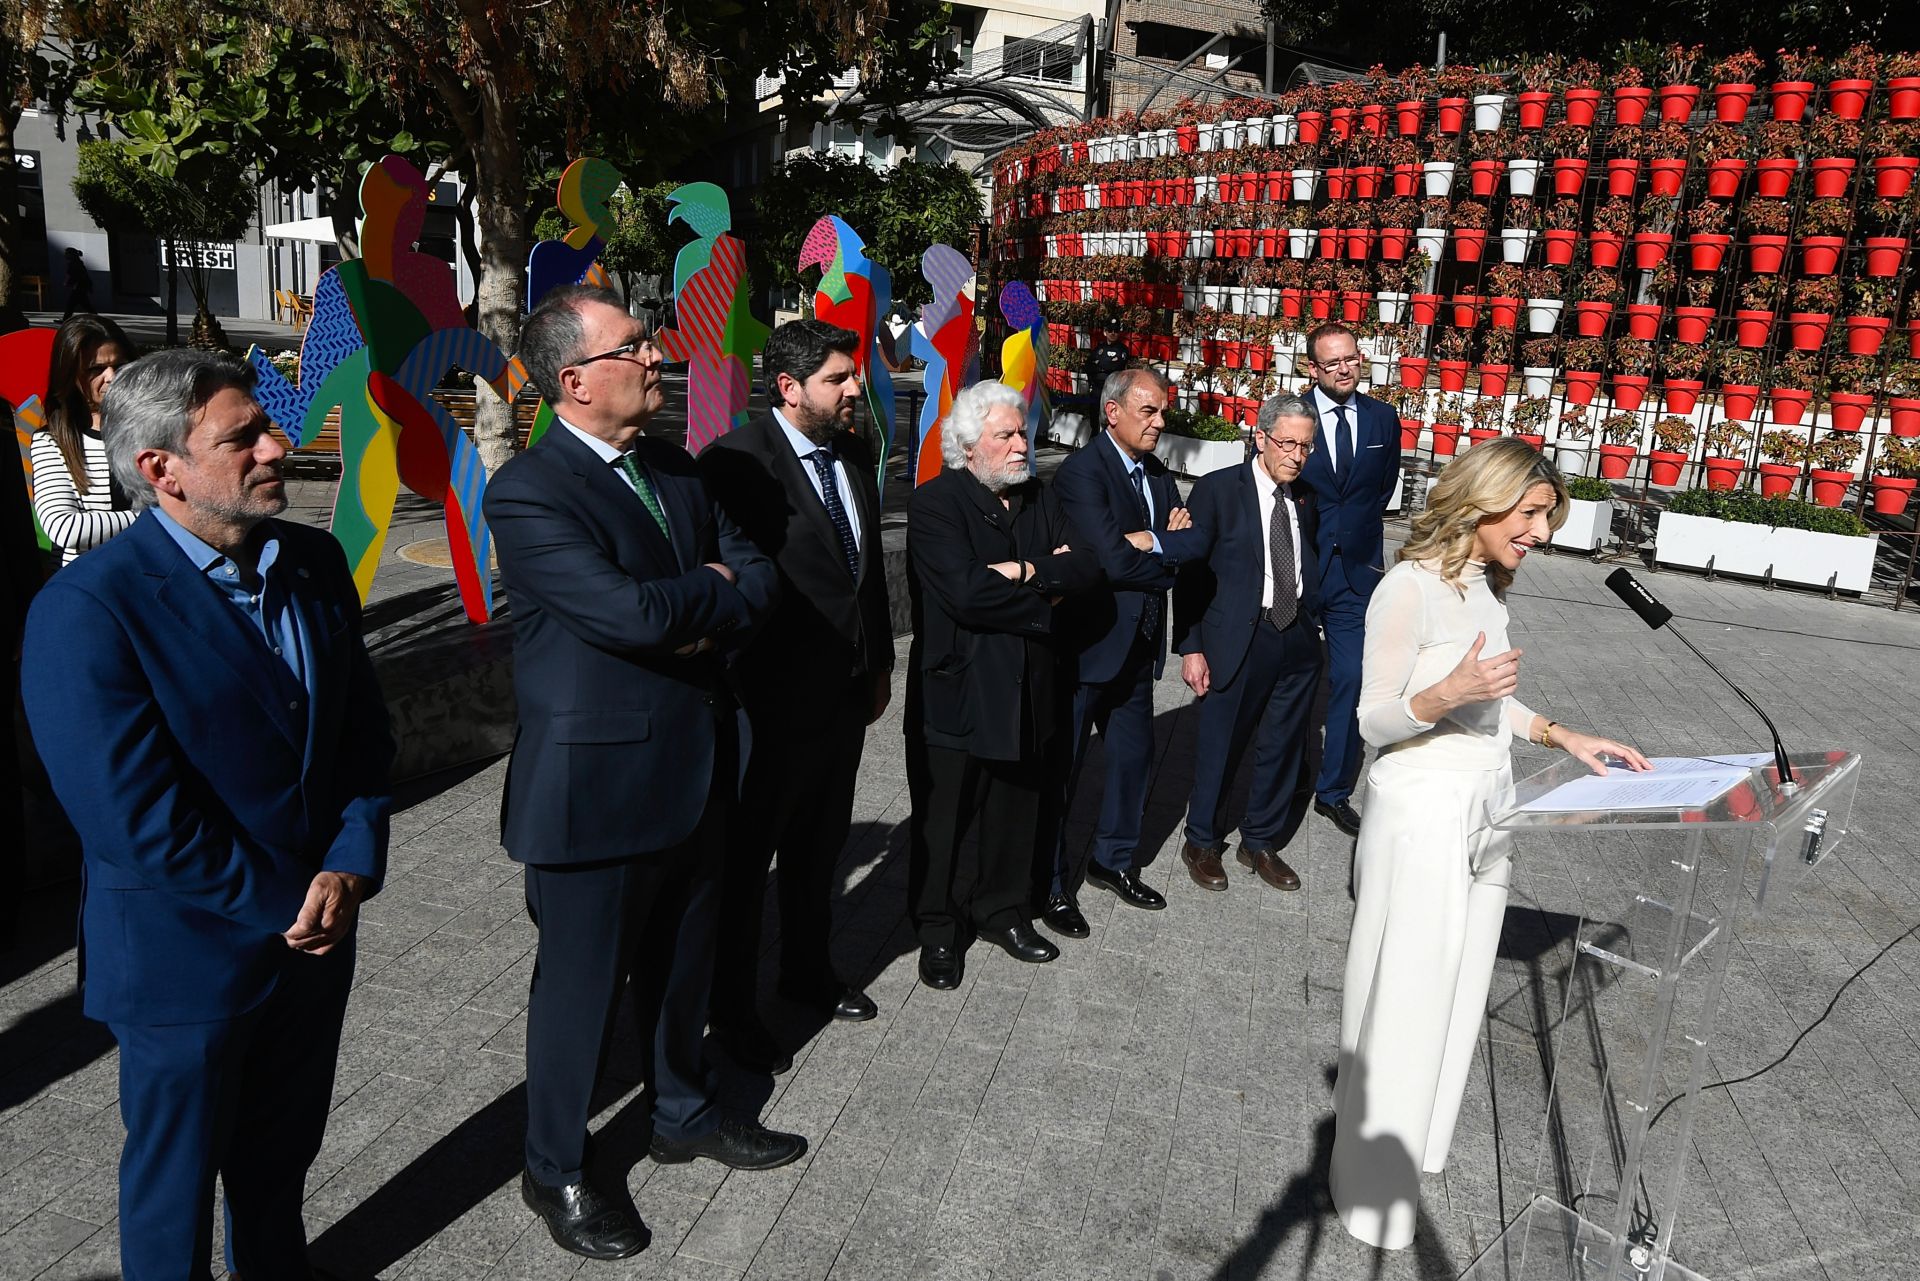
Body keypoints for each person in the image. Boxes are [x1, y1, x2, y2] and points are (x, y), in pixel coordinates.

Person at [19, 349, 394, 1281]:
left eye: (267, 424)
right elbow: (131, 815)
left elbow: (360, 734)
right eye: (245, 436)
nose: (279, 445)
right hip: (183, 957)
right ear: (160, 470)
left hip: (316, 930)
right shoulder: (87, 609)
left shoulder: (311, 559)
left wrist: (349, 862)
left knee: (278, 1165)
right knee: (174, 1185)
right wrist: (287, 900)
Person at [484, 285, 801, 1262]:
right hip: (595, 793)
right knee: (579, 995)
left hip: (697, 768)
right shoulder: (529, 491)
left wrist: (698, 598)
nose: (658, 354)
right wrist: (700, 595)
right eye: (634, 346)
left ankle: (682, 1111)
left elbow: (759, 584)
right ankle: (556, 1166)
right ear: (573, 380)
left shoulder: (676, 468)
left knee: (684, 969)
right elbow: (625, 617)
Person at [1329, 439, 1650, 1250]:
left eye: (1550, 516)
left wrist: (1558, 732)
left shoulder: (1483, 587)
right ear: (1482, 499)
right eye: (1534, 512)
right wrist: (1447, 692)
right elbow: (1373, 720)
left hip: (1483, 801)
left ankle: (1414, 1146)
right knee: (1405, 995)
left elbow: (1489, 704)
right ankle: (1368, 1189)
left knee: (1455, 989)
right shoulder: (1407, 588)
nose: (1542, 531)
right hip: (1421, 810)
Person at [698, 318, 892, 1073]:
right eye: (837, 379)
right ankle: (733, 1009)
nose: (854, 389)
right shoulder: (736, 463)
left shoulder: (853, 447)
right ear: (788, 388)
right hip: (767, 707)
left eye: (852, 375)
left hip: (842, 700)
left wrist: (875, 665)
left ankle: (808, 971)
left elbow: (864, 569)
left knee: (818, 851)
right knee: (748, 872)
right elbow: (736, 585)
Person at [904, 380, 1099, 989]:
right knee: (944, 820)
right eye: (1006, 435)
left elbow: (1088, 564)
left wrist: (1022, 570)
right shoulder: (937, 504)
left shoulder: (1038, 496)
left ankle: (1002, 911)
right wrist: (1048, 590)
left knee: (1017, 809)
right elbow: (963, 594)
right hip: (958, 690)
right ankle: (937, 930)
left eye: (1023, 432)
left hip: (1028, 686)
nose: (1022, 445)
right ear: (969, 447)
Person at [1042, 365, 1202, 935]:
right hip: (1089, 648)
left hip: (1138, 649)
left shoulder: (1157, 474)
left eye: (1163, 411)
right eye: (1149, 412)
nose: (1161, 422)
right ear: (1112, 411)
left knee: (1134, 762)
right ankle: (1051, 883)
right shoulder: (1082, 474)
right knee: (1064, 770)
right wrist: (1167, 546)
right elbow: (1110, 562)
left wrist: (1156, 542)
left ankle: (1112, 861)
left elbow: (1194, 539)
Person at [1172, 394, 1324, 893]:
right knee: (1223, 742)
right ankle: (1202, 839)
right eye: (1287, 443)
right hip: (1240, 636)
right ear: (1259, 438)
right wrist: (1191, 645)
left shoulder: (1306, 496)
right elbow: (1190, 574)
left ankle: (1259, 840)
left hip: (1296, 635)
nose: (1297, 455)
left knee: (1282, 746)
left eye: (1306, 445)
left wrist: (1313, 619)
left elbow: (1309, 556)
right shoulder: (1218, 491)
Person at [1295, 322, 1401, 839]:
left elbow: (1381, 490)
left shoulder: (1384, 418)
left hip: (1357, 573)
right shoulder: (1291, 416)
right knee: (1288, 680)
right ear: (1312, 368)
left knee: (1351, 681)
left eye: (1351, 359)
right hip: (1297, 567)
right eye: (1332, 362)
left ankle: (1333, 791)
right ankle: (1285, 775)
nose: (1344, 369)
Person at [30, 313, 138, 564]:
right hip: (90, 581)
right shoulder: (52, 442)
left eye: (120, 366)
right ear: (70, 377)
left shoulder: (156, 426)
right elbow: (64, 527)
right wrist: (155, 519)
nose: (112, 377)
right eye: (96, 369)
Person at [62, 246, 94, 317]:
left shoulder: (74, 264)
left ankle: (66, 319)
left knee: (72, 303)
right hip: (81, 286)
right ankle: (66, 319)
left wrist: (67, 282)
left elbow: (71, 275)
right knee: (83, 304)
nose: (65, 255)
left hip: (79, 286)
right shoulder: (77, 263)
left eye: (66, 253)